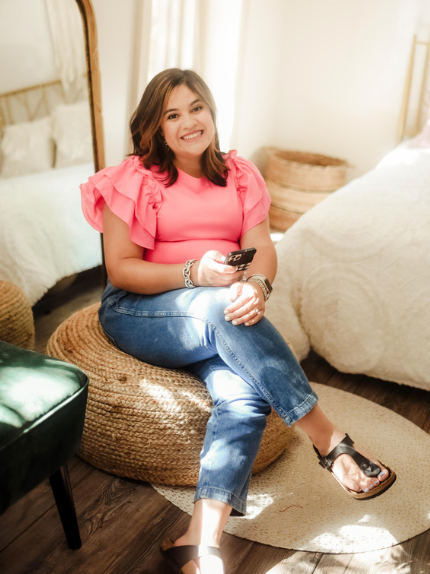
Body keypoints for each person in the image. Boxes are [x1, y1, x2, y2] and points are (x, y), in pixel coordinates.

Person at [80, 68, 396, 574]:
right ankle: (328, 439)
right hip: (139, 309)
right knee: (214, 305)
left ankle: (200, 542)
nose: (189, 122)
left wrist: (257, 287)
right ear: (154, 129)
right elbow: (121, 268)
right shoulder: (132, 178)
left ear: (212, 111)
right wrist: (193, 272)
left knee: (245, 396)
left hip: (219, 312)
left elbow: (265, 248)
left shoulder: (241, 173)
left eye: (196, 108)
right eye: (172, 115)